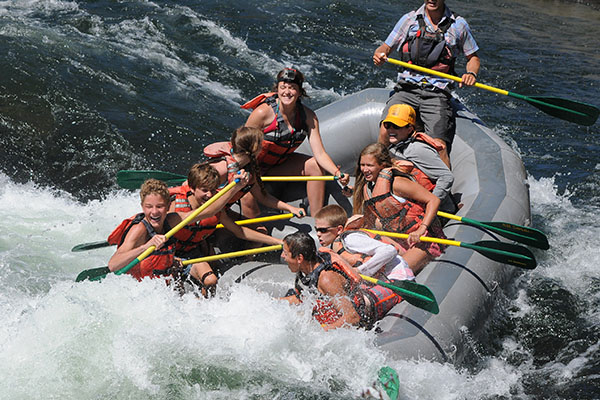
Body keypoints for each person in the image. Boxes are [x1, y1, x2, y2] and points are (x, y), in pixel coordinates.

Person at [373, 0, 481, 167]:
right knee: (385, 130)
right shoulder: (409, 20)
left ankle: (444, 190)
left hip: (436, 93)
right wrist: (380, 54)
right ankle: (380, 175)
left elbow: (473, 58)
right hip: (407, 89)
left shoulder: (459, 25)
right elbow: (386, 47)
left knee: (439, 145)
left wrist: (471, 73)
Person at [242, 67, 350, 216]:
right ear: (277, 90)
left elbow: (319, 153)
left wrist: (337, 173)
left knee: (315, 165)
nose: (287, 92)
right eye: (283, 87)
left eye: (292, 88)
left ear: (299, 92)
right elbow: (241, 145)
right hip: (254, 168)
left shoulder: (308, 116)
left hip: (277, 167)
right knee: (248, 198)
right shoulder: (262, 113)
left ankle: (316, 218)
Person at [168, 163, 283, 296]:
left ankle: (204, 305)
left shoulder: (217, 210)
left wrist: (276, 241)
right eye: (204, 190)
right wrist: (170, 258)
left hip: (192, 254)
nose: (210, 195)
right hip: (170, 254)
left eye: (213, 190)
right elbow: (157, 236)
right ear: (192, 189)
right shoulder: (175, 207)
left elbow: (239, 231)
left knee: (211, 280)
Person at [107, 175, 249, 282]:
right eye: (149, 207)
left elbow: (209, 211)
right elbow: (113, 265)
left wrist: (235, 188)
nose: (154, 212)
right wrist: (146, 246)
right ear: (142, 207)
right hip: (141, 286)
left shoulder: (172, 219)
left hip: (164, 276)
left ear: (168, 206)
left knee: (209, 278)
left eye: (160, 207)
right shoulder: (139, 230)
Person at [352, 143, 446, 274]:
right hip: (400, 240)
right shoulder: (368, 189)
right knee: (376, 268)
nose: (365, 169)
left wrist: (421, 229)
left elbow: (433, 200)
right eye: (363, 165)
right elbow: (369, 223)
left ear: (382, 166)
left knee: (395, 273)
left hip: (424, 239)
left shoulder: (397, 183)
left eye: (370, 165)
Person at [280, 231, 402, 331]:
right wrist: (272, 301)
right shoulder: (306, 270)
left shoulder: (327, 279)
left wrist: (320, 332)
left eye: (285, 253)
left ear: (299, 258)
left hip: (371, 306)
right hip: (349, 303)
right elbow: (302, 298)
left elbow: (352, 317)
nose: (282, 256)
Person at [202, 126, 305, 221]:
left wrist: (291, 208)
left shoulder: (249, 169)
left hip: (221, 213)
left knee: (261, 230)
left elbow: (262, 197)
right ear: (256, 148)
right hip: (205, 215)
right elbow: (201, 198)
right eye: (261, 144)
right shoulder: (221, 168)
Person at [379, 104, 456, 213]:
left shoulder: (417, 149)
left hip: (436, 212)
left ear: (409, 129)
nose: (391, 129)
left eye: (396, 126)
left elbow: (446, 177)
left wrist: (431, 206)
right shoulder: (394, 147)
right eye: (388, 125)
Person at [313, 205, 414, 282]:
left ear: (339, 229)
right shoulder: (338, 243)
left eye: (323, 230)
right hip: (385, 279)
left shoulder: (350, 239)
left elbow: (389, 250)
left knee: (360, 303)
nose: (318, 234)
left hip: (398, 276)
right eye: (316, 229)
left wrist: (360, 270)